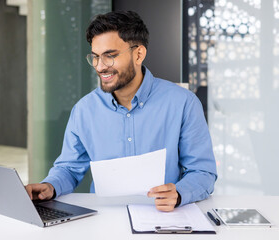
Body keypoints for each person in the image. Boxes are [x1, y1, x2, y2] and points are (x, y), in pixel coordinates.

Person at [26, 10, 217, 212]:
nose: (100, 67)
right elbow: (68, 169)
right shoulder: (84, 110)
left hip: (164, 218)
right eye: (96, 57)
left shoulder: (183, 103)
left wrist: (179, 193)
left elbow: (203, 172)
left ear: (139, 54)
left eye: (110, 56)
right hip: (103, 220)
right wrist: (50, 186)